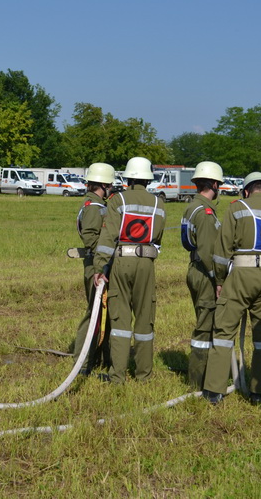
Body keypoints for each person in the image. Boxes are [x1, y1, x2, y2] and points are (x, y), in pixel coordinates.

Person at [203, 172, 261, 404]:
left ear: (246, 191)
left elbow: (222, 251)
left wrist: (220, 280)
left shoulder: (237, 208)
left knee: (224, 331)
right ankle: (259, 390)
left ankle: (214, 390)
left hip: (241, 275)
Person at [93, 156, 165, 384]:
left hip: (122, 261)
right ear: (148, 179)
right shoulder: (158, 204)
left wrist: (100, 266)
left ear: (128, 179)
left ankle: (117, 375)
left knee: (120, 318)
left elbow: (108, 236)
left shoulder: (118, 200)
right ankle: (144, 375)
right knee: (145, 318)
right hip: (146, 263)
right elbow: (158, 237)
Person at [180, 161, 223, 390]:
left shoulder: (193, 206)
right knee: (205, 326)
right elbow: (208, 251)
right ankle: (198, 380)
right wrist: (218, 279)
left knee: (204, 321)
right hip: (205, 274)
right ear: (214, 184)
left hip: (195, 268)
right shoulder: (205, 213)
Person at [71, 162, 115, 374]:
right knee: (94, 313)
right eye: (110, 185)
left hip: (100, 263)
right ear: (104, 185)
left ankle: (100, 358)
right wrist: (106, 253)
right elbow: (90, 237)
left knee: (103, 314)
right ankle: (83, 363)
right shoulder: (94, 207)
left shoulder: (95, 204)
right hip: (96, 265)